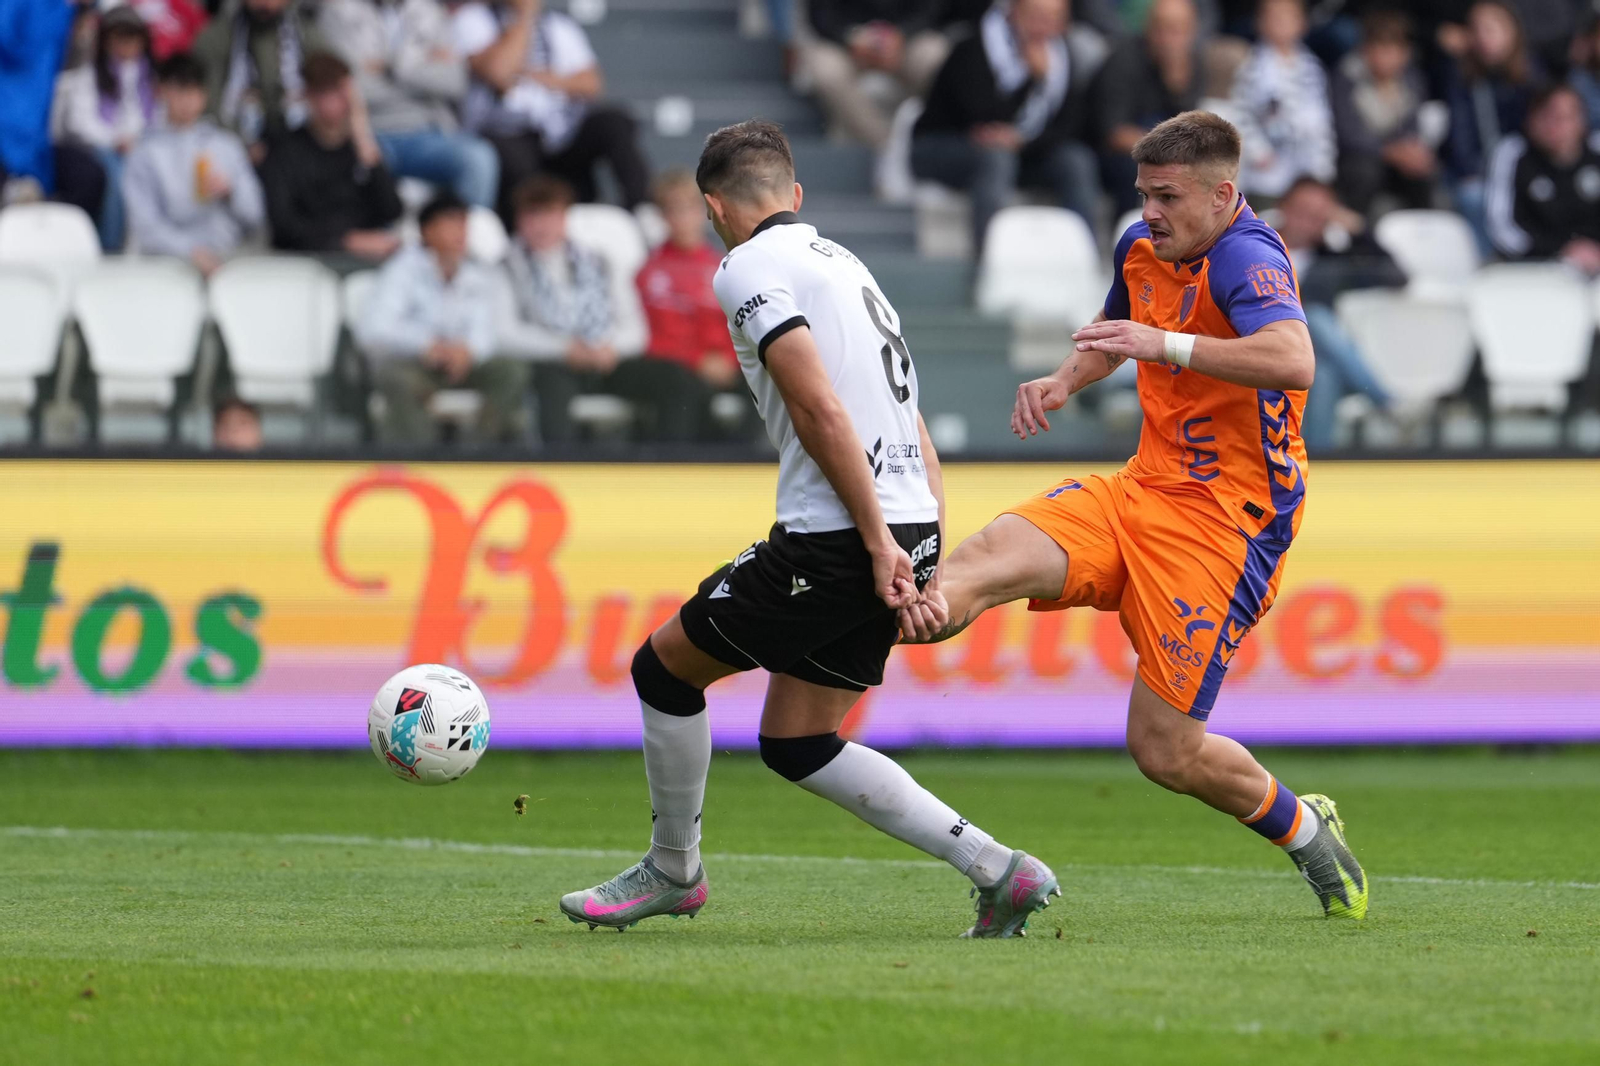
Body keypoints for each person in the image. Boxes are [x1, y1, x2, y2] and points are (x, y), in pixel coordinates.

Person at [558, 120, 1055, 938]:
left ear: (713, 206)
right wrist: (917, 549)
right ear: (796, 195)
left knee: (663, 670)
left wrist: (871, 543)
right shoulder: (851, 270)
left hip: (837, 534)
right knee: (799, 739)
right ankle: (1000, 871)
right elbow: (913, 425)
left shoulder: (747, 267)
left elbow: (818, 405)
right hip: (906, 519)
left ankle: (674, 871)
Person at [900, 111, 1369, 922]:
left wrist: (1168, 346)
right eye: (1144, 193)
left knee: (1164, 751)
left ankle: (1304, 827)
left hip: (1227, 527)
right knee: (960, 580)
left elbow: (1294, 359)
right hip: (1138, 491)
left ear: (1224, 194)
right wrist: (1062, 380)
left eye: (1168, 196)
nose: (1150, 211)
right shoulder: (1141, 244)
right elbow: (1121, 333)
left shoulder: (1247, 255)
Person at [910, 0, 1099, 254]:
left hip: (1020, 151)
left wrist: (1024, 140)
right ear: (1013, 13)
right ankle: (990, 262)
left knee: (1075, 160)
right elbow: (981, 120)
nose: (1044, 26)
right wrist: (1031, 80)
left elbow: (1070, 126)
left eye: (1054, 18)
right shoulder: (975, 46)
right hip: (942, 146)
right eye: (1036, 16)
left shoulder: (1062, 57)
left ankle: (1086, 257)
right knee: (996, 159)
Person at [451, 0, 650, 223]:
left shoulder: (560, 25)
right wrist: (524, 18)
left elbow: (592, 84)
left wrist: (538, 77)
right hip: (504, 132)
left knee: (615, 122)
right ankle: (523, 228)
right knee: (511, 155)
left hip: (559, 131)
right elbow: (498, 72)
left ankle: (641, 211)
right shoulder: (473, 19)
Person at [357, 192, 528, 443]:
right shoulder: (402, 270)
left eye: (463, 224)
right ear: (427, 231)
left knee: (511, 372)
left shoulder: (477, 272)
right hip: (415, 362)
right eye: (450, 223)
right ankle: (418, 461)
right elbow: (374, 329)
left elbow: (488, 328)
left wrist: (467, 351)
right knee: (399, 380)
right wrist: (426, 345)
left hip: (463, 364)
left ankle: (479, 454)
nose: (460, 232)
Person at [318, 0, 500, 208]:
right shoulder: (337, 12)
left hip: (429, 131)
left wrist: (393, 67)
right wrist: (424, 69)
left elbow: (456, 83)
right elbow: (353, 89)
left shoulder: (428, 10)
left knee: (478, 158)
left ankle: (469, 237)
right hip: (371, 132)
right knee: (359, 171)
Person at [495, 174, 628, 442]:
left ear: (565, 217)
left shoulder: (600, 261)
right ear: (519, 221)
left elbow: (635, 327)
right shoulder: (506, 266)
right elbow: (503, 333)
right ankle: (561, 466)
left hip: (605, 357)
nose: (542, 225)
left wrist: (608, 347)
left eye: (550, 214)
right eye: (533, 215)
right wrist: (565, 349)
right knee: (552, 383)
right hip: (547, 363)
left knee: (664, 380)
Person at [1273, 176, 1399, 451]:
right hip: (1262, 345)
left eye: (1319, 215)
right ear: (1283, 207)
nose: (1308, 221)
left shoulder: (1333, 259)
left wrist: (1358, 230)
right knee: (1314, 318)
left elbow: (1396, 276)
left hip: (1310, 360)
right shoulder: (1253, 248)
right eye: (1302, 211)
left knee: (1325, 372)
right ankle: (1387, 403)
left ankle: (1314, 462)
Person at [630, 170, 750, 442]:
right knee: (679, 384)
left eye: (690, 207)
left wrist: (729, 361)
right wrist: (699, 361)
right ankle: (679, 466)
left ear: (705, 212)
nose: (683, 217)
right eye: (674, 209)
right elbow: (654, 337)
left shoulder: (726, 266)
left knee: (773, 375)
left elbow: (744, 323)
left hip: (728, 365)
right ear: (662, 217)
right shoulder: (650, 271)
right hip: (679, 369)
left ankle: (753, 465)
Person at [124, 52, 266, 274]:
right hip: (170, 266)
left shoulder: (226, 145)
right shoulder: (145, 153)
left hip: (230, 260)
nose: (187, 100)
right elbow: (146, 227)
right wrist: (190, 251)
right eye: (179, 89)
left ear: (204, 95)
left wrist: (231, 193)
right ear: (161, 92)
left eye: (194, 90)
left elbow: (255, 215)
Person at [259, 51, 404, 263]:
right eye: (323, 92)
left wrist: (363, 137)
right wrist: (347, 240)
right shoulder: (284, 151)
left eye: (340, 91)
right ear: (307, 95)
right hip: (308, 263)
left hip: (369, 261)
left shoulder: (362, 148)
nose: (333, 102)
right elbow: (284, 227)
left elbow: (391, 210)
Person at [54, 5, 159, 249]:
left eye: (132, 38)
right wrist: (115, 140)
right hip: (101, 147)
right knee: (117, 179)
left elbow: (153, 118)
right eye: (119, 38)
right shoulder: (90, 74)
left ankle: (145, 244)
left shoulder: (149, 77)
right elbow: (80, 122)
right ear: (106, 41)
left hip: (141, 144)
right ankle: (110, 245)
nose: (126, 45)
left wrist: (136, 139)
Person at [1440, 1, 1541, 250]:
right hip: (1478, 169)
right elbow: (1459, 136)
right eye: (1476, 30)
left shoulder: (1533, 76)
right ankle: (1485, 265)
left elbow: (1538, 133)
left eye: (1491, 29)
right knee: (1474, 196)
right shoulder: (1461, 76)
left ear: (1512, 32)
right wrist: (1471, 170)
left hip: (1522, 170)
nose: (1484, 38)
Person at [1090, 0, 1203, 213]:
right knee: (1142, 170)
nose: (1168, 39)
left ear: (1191, 32)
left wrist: (1176, 86)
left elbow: (1187, 127)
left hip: (1162, 149)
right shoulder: (1123, 59)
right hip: (1113, 156)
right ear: (1149, 28)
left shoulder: (1192, 64)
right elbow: (1114, 133)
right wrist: (1167, 151)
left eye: (1177, 31)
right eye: (1162, 28)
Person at [0, 0, 106, 221]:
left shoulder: (64, 16)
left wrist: (80, 14)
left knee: (90, 176)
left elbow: (74, 65)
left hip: (38, 145)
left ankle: (62, 243)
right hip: (12, 136)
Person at [802, 0, 954, 150]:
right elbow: (820, 15)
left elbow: (933, 10)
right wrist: (851, 37)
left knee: (934, 53)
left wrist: (901, 34)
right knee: (825, 68)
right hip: (846, 45)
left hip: (907, 41)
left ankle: (926, 136)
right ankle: (887, 146)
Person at [194, 0, 329, 164]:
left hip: (301, 147)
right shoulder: (217, 38)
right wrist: (240, 143)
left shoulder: (306, 34)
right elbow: (207, 108)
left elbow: (330, 90)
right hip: (237, 151)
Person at [1486, 83, 1600, 275]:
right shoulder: (1513, 154)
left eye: (1565, 118)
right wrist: (1561, 251)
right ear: (1532, 120)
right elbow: (1502, 229)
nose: (1556, 126)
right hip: (1536, 269)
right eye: (1548, 117)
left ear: (1582, 120)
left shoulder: (1597, 151)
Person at [1330, 10, 1437, 213]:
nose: (1386, 57)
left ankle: (1422, 233)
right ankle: (1357, 234)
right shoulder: (1346, 77)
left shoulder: (1413, 80)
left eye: (1393, 49)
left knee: (1424, 169)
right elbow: (1349, 134)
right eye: (1379, 48)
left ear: (1405, 53)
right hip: (1358, 158)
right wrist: (1389, 152)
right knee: (1365, 171)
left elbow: (1412, 125)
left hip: (1397, 158)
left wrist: (1412, 151)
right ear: (1365, 49)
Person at [1229, 0, 1335, 201]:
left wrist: (1324, 164)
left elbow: (1322, 118)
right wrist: (1258, 151)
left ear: (1302, 24)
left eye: (1288, 17)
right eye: (1274, 17)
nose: (1281, 23)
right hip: (1267, 170)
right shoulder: (1251, 65)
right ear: (1260, 23)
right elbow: (1240, 113)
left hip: (1307, 167)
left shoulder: (1313, 67)